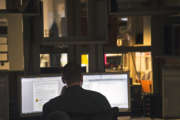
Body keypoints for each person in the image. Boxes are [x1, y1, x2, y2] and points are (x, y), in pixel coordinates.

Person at [41, 63, 112, 120]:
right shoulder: (101, 100)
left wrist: (61, 98)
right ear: (82, 78)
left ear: (63, 79)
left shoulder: (50, 107)